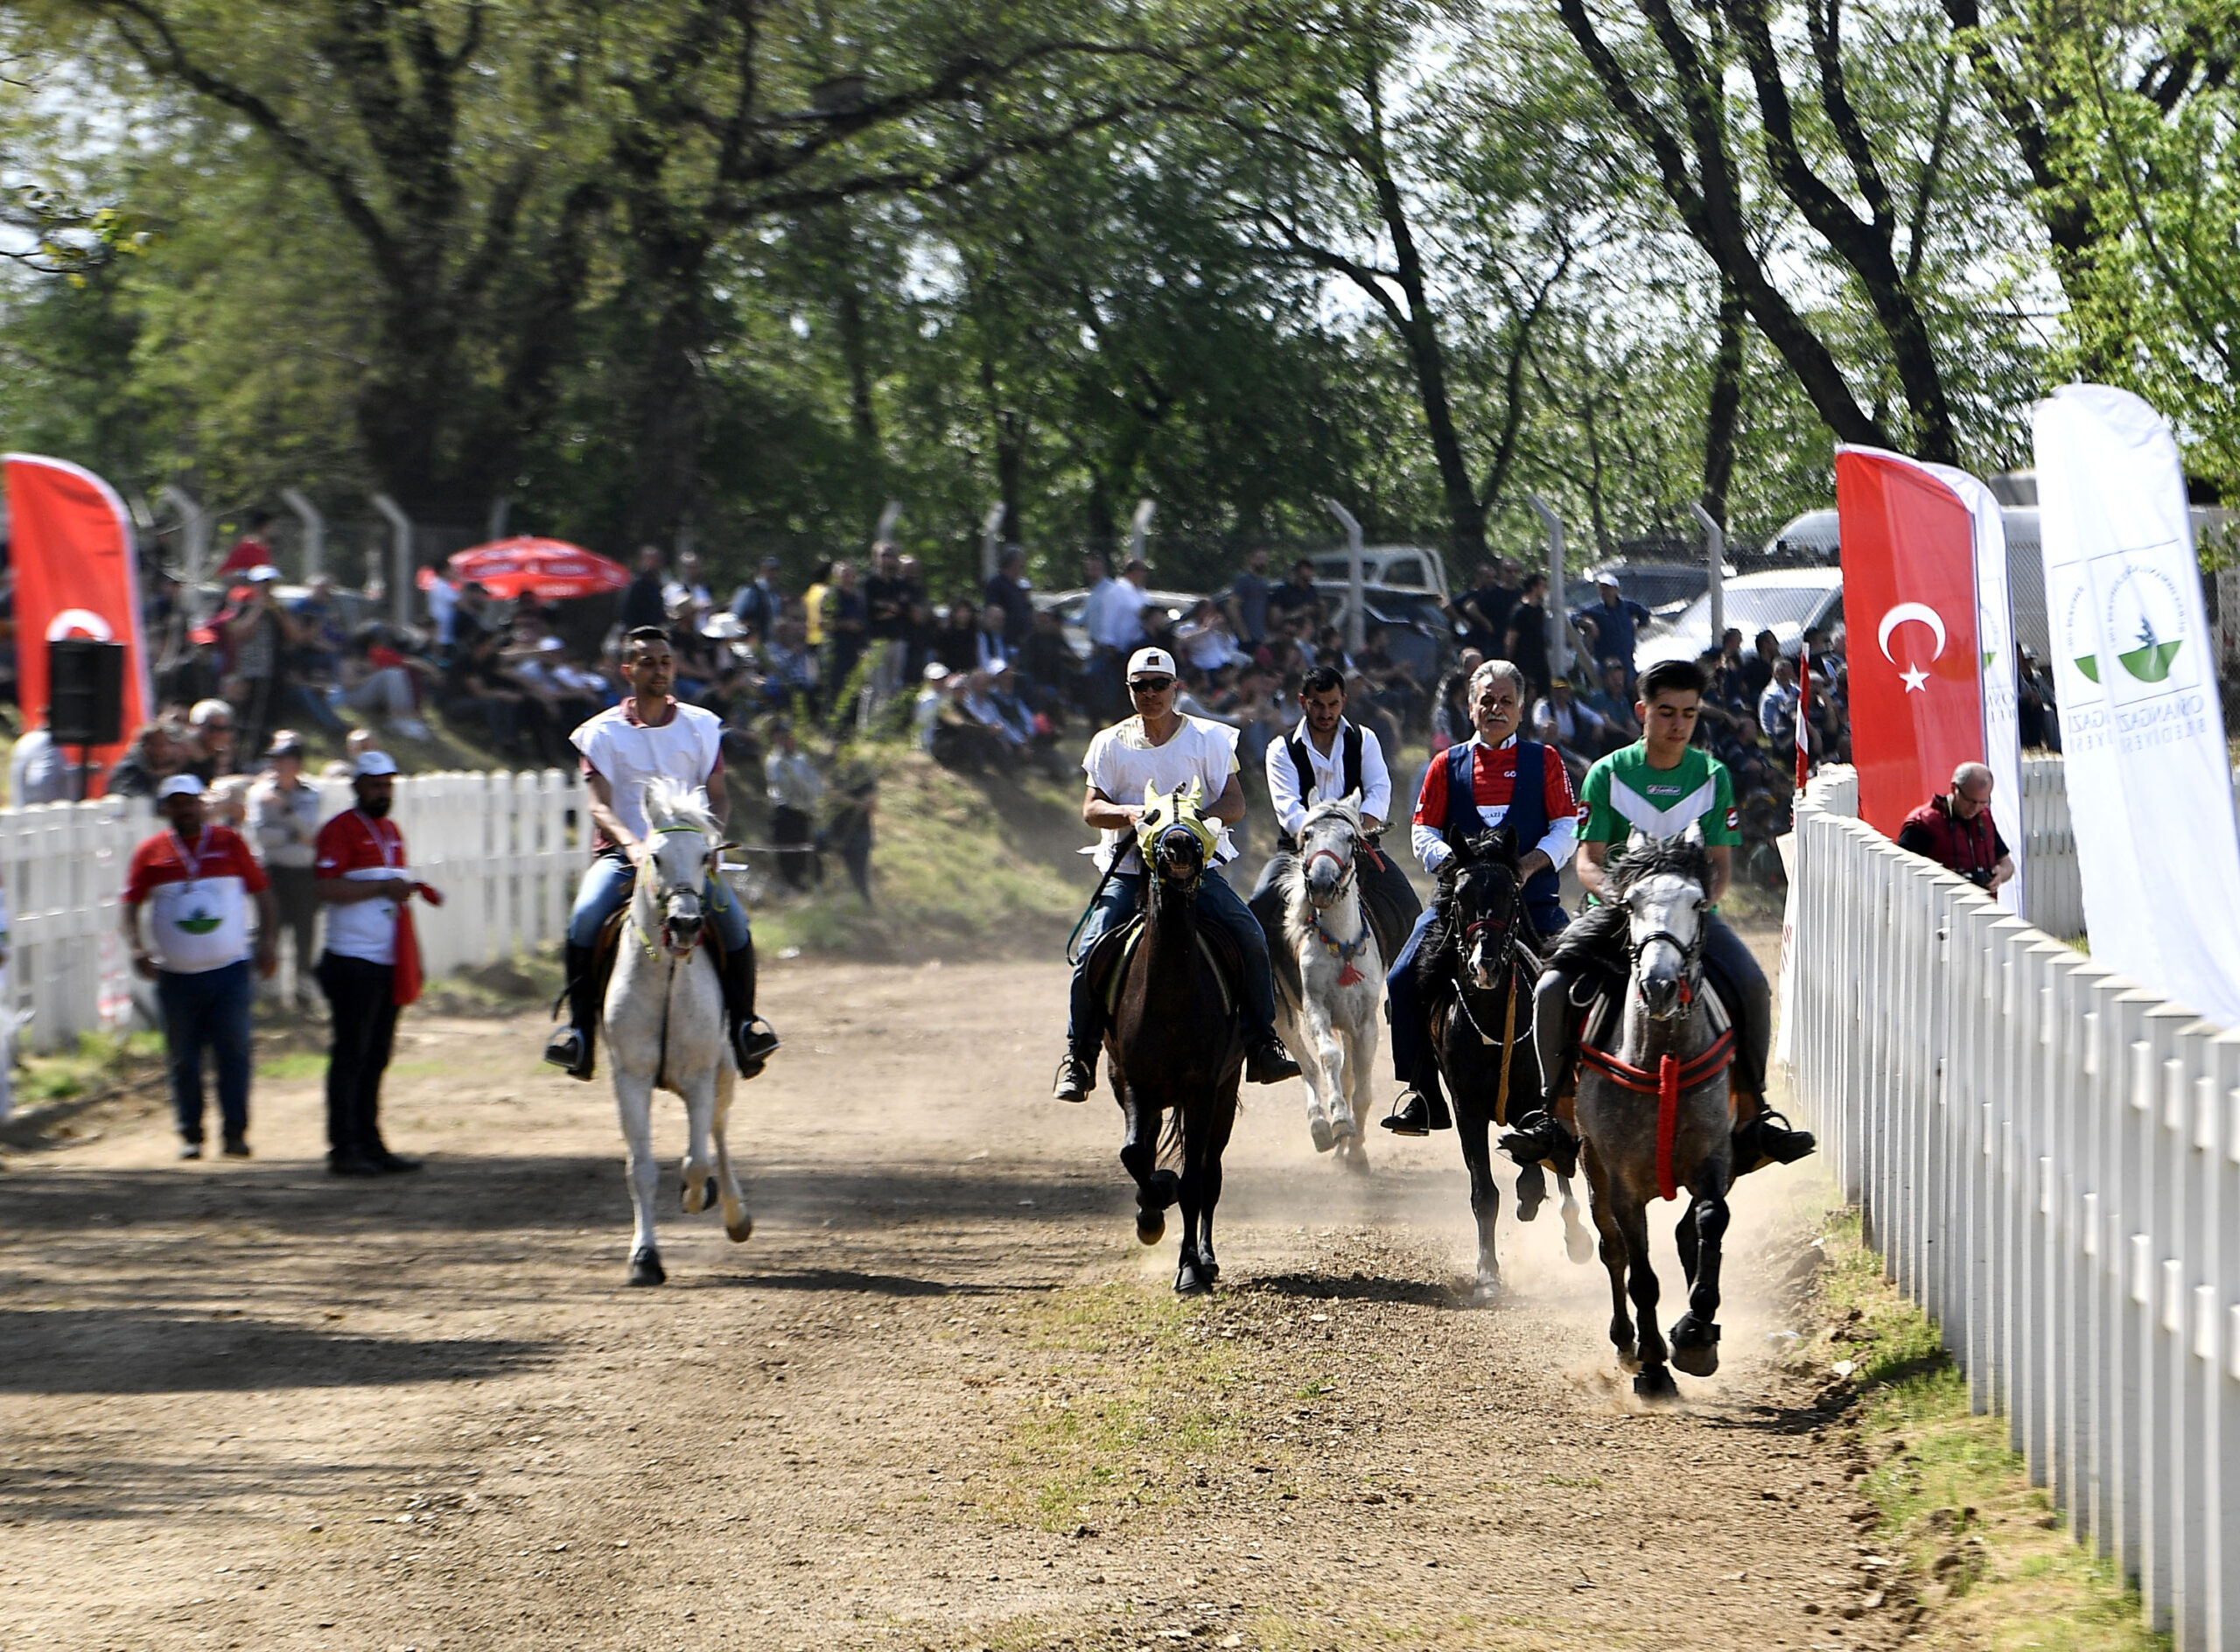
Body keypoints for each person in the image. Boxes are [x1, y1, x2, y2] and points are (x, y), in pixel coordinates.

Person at [1499, 658, 1815, 1174]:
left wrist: (1689, 908)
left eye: (1688, 714)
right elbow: (1586, 862)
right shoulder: (1607, 773)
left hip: (1687, 920)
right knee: (1552, 987)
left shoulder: (1712, 776)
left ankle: (1753, 1115)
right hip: (1616, 915)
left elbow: (1720, 869)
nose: (1677, 724)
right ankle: (1554, 1115)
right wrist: (1624, 899)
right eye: (1666, 712)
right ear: (1643, 710)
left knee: (1754, 985)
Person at [1052, 646, 1300, 1102]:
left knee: (1249, 936)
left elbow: (1235, 802)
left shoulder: (1209, 739)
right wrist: (1130, 813)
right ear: (1129, 691)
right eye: (1140, 686)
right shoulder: (1109, 743)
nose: (1150, 694)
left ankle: (1264, 1042)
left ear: (1175, 687)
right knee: (1091, 949)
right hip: (1131, 871)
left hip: (1194, 871)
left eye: (1159, 684)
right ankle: (1079, 1056)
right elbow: (1091, 808)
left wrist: (1195, 821)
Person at [542, 626, 778, 1081]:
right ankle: (579, 1033)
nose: (659, 670)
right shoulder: (601, 733)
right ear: (627, 670)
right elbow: (597, 805)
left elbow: (719, 797)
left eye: (665, 661)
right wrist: (631, 844)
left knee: (734, 923)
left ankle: (746, 1026)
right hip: (622, 855)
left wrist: (711, 840)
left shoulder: (702, 725)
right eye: (647, 662)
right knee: (585, 919)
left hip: (690, 857)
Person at [1380, 661, 1577, 1136]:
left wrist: (1529, 865)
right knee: (1403, 980)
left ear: (1521, 707)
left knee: (1584, 981)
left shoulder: (1546, 760)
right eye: (1486, 700)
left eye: (1505, 701)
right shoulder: (1446, 765)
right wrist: (1455, 866)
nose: (1495, 709)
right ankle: (1421, 1093)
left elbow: (1567, 825)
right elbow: (1422, 829)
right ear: (1470, 707)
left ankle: (1576, 1089)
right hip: (1458, 911)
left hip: (1533, 907)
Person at [121, 774, 278, 1159]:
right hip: (175, 977)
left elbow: (263, 895)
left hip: (229, 972)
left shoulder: (229, 843)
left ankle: (235, 1133)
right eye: (176, 803)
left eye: (190, 802)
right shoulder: (151, 852)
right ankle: (190, 1133)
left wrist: (269, 942)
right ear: (166, 809)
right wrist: (138, 947)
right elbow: (130, 905)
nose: (185, 809)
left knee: (234, 1053)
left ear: (202, 804)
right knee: (183, 1057)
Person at [312, 751, 440, 1174]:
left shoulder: (391, 831)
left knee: (377, 1054)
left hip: (386, 959)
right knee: (351, 1052)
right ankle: (342, 1147)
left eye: (388, 785)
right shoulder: (340, 830)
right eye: (374, 784)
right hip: (351, 959)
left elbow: (395, 897)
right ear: (357, 787)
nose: (382, 792)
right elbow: (328, 888)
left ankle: (370, 1141)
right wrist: (381, 888)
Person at [1246, 662, 1420, 974]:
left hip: (1360, 846)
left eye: (1333, 704)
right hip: (1298, 852)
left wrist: (1353, 831)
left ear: (1343, 701)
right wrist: (1321, 840)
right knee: (1258, 907)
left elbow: (1379, 793)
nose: (1325, 713)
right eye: (1317, 705)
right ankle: (1264, 1000)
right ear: (1303, 702)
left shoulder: (1364, 739)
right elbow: (1289, 810)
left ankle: (1399, 994)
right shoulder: (1281, 749)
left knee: (1409, 907)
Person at [248, 732, 324, 1012]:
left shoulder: (311, 794)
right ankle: (268, 998)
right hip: (273, 872)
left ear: (298, 764)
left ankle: (303, 996)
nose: (279, 766)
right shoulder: (259, 794)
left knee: (305, 935)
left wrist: (286, 810)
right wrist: (294, 836)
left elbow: (312, 831)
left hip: (304, 873)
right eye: (276, 760)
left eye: (286, 760)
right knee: (270, 931)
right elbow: (262, 835)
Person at [1895, 762, 2013, 894]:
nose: (1975, 808)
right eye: (1971, 801)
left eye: (1983, 802)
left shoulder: (1985, 818)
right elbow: (1900, 872)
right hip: (1939, 908)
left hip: (1984, 910)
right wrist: (1947, 879)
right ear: (1953, 788)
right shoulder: (1923, 822)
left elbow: (2007, 863)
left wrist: (2000, 874)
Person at [764, 718, 825, 891]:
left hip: (803, 813)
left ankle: (816, 884)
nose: (788, 741)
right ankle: (795, 887)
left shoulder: (801, 759)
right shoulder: (776, 761)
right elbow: (786, 786)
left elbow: (816, 784)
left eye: (789, 737)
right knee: (788, 853)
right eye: (783, 738)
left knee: (809, 851)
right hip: (785, 813)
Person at [1504, 574, 1554, 704]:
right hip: (1525, 661)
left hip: (1540, 660)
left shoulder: (1539, 609)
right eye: (1542, 586)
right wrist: (1510, 661)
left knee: (1544, 695)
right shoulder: (1520, 611)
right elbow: (1511, 638)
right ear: (1534, 587)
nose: (1545, 589)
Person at [984, 546, 1035, 647]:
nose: (1023, 566)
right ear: (1012, 563)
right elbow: (993, 610)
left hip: (1023, 640)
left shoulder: (1019, 586)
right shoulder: (996, 584)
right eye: (1020, 562)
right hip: (1006, 641)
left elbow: (1028, 609)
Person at [10, 718, 68, 804]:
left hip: (21, 800)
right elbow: (41, 779)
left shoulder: (26, 739)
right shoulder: (49, 741)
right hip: (42, 805)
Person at [1225, 547, 1272, 652]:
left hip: (1261, 636)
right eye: (1259, 558)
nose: (1262, 562)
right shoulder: (1244, 580)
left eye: (1265, 559)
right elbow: (1232, 606)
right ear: (1251, 560)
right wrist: (1243, 633)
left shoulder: (1264, 583)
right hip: (1247, 638)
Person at [731, 556, 786, 642]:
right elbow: (735, 617)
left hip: (771, 641)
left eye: (777, 570)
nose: (774, 574)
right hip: (751, 641)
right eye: (771, 570)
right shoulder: (749, 591)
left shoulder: (776, 594)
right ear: (762, 570)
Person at [215, 509, 277, 576]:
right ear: (263, 527)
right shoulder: (250, 544)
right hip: (234, 576)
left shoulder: (263, 546)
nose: (274, 529)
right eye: (271, 526)